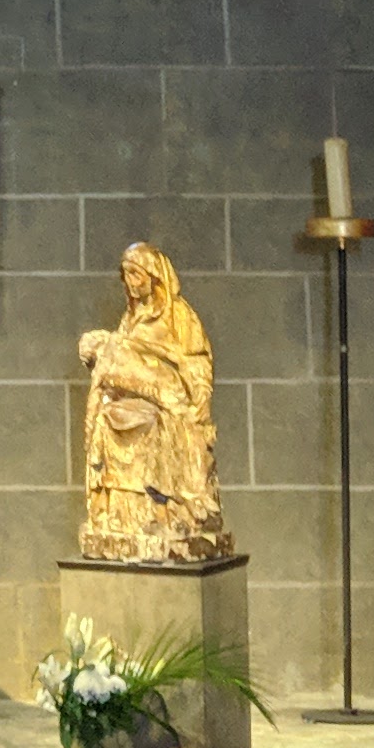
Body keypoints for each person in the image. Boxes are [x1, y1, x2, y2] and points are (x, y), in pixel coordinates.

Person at [78, 241, 234, 565]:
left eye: (136, 274)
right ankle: (121, 513)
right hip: (138, 394)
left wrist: (202, 395)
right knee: (107, 415)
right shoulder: (130, 318)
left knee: (152, 422)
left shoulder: (180, 316)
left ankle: (167, 511)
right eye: (126, 275)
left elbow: (196, 361)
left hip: (172, 397)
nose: (131, 283)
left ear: (154, 275)